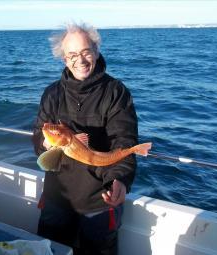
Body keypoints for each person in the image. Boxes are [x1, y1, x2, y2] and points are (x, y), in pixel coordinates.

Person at [32, 22, 138, 255]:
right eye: (71, 55)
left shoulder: (116, 92)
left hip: (99, 201)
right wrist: (46, 143)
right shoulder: (52, 93)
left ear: (96, 51)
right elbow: (38, 136)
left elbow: (125, 142)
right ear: (64, 60)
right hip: (57, 198)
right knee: (50, 250)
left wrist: (119, 179)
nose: (79, 60)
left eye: (85, 52)